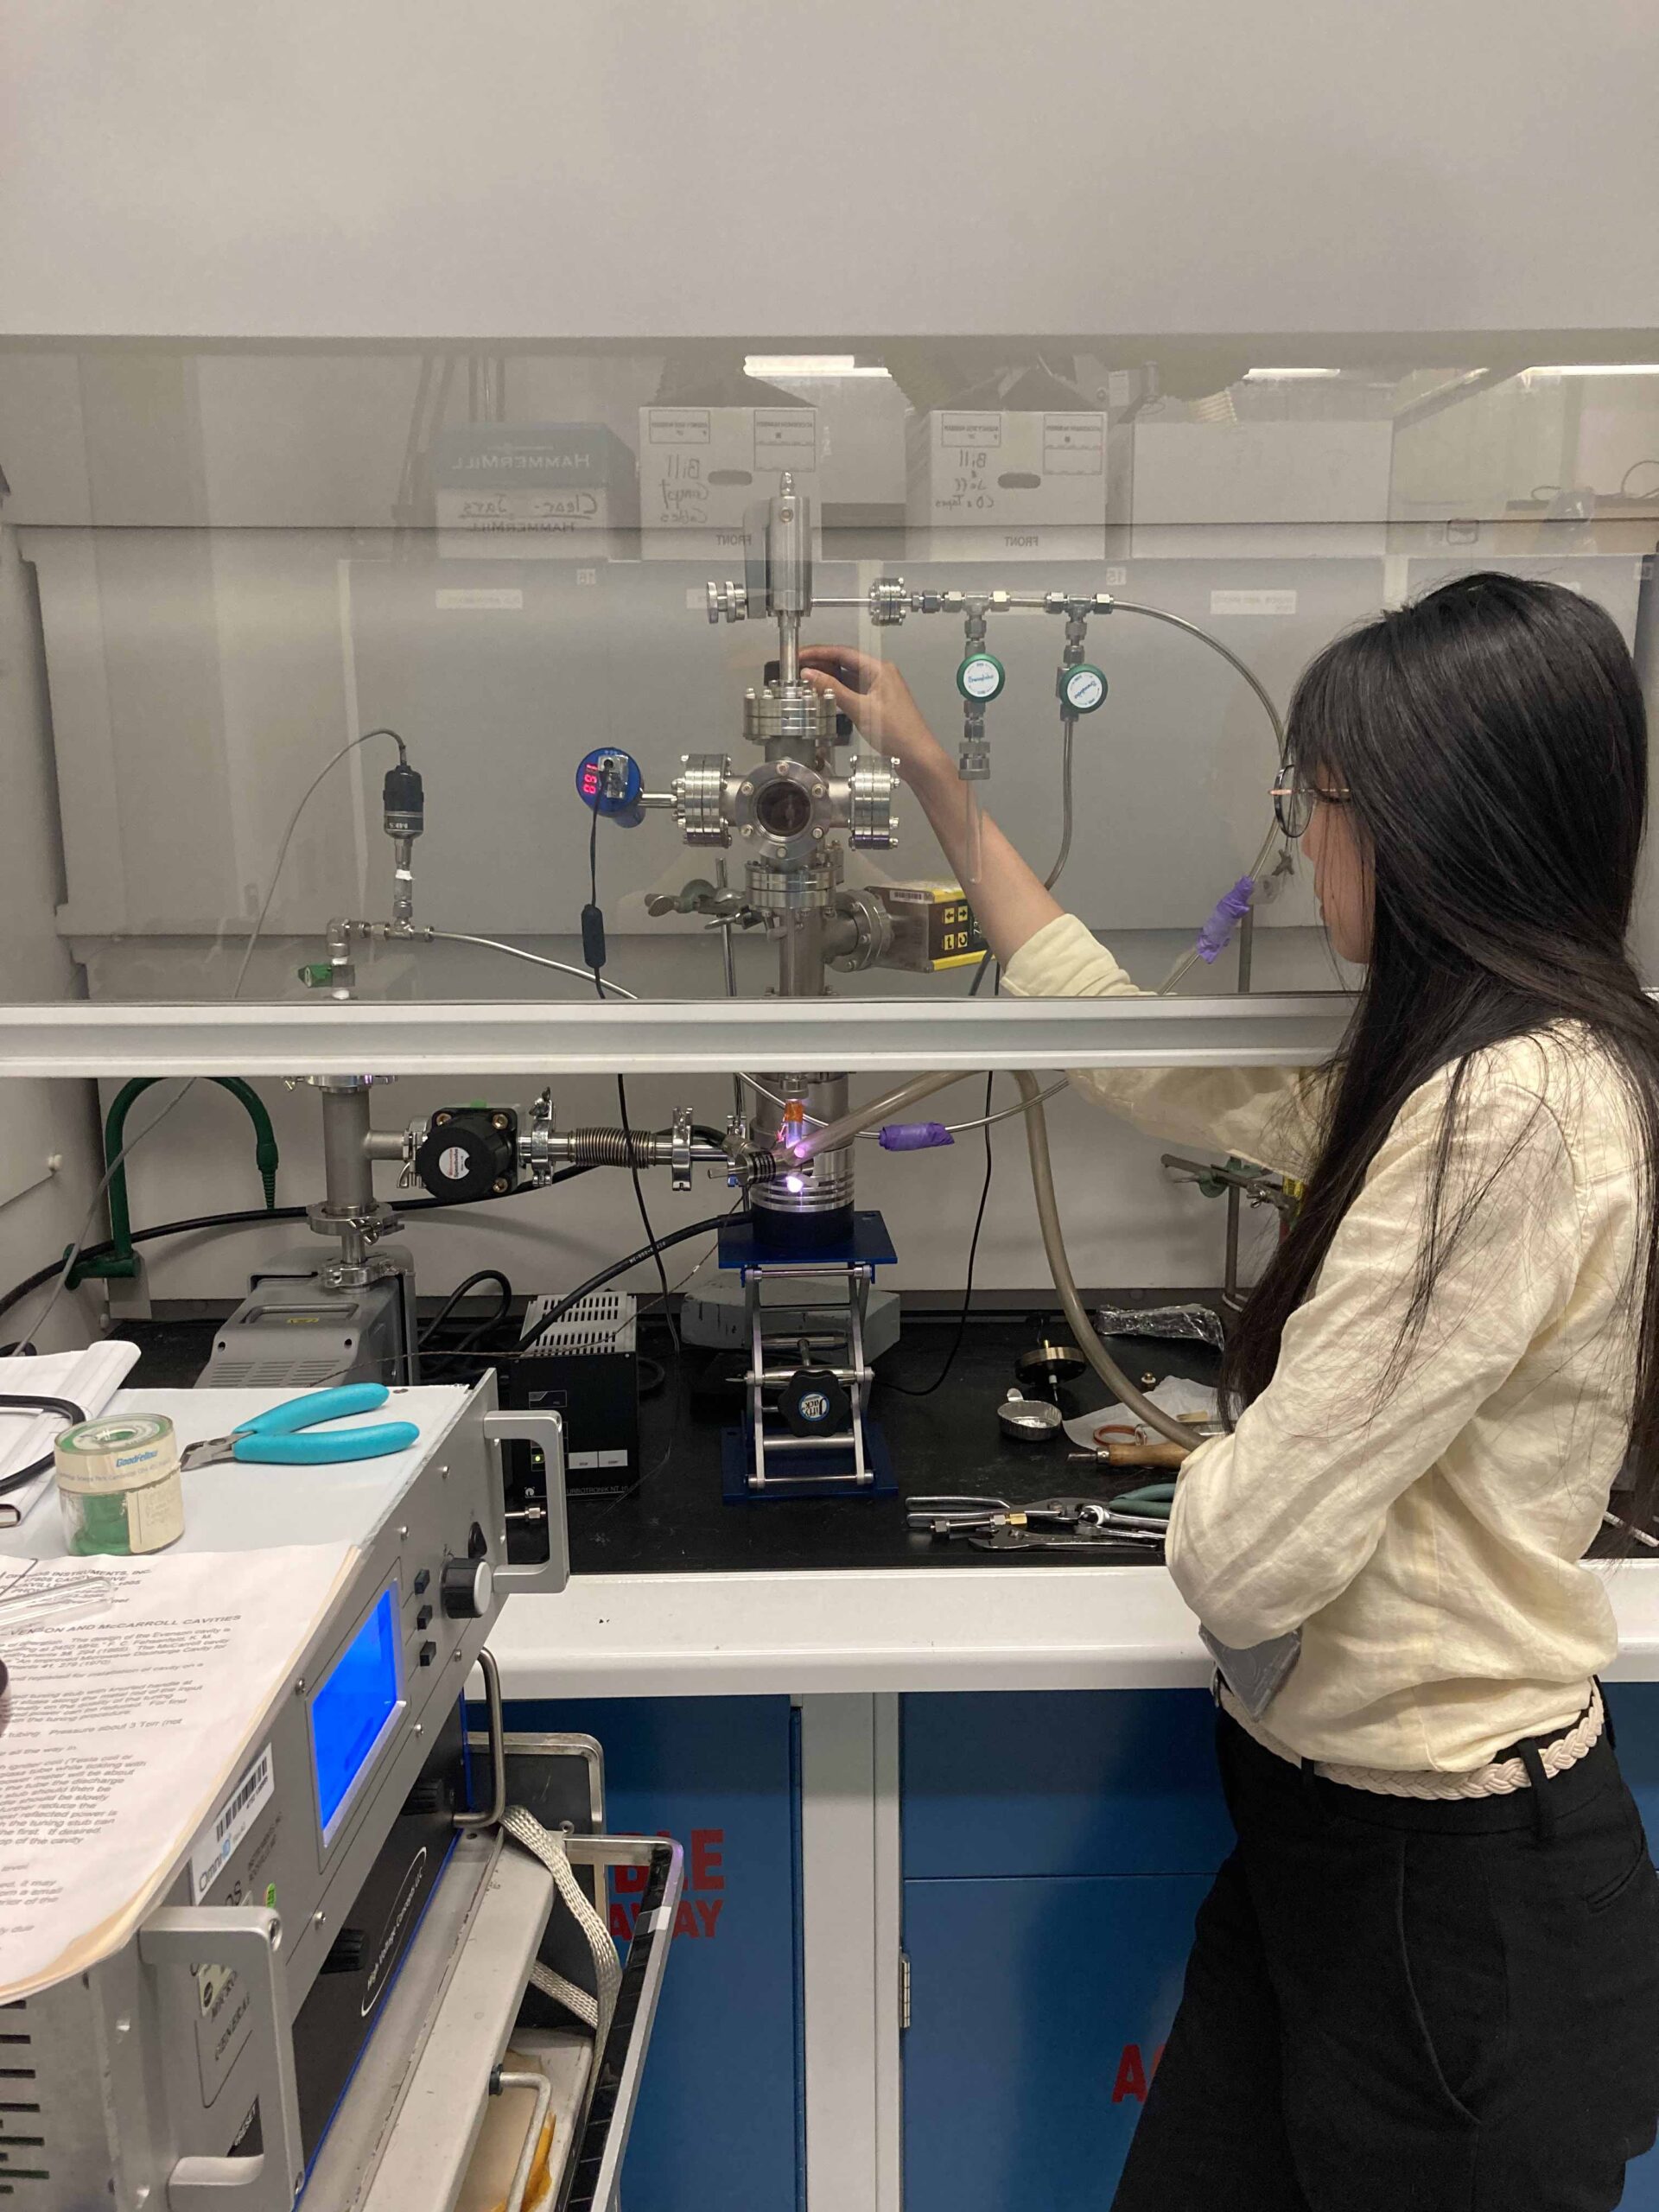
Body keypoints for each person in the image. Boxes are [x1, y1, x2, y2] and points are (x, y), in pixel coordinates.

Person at [802, 572, 1659, 2211]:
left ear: (1425, 822)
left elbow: (1244, 1556)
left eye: (1314, 805)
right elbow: (1150, 1054)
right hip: (1332, 1843)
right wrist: (930, 769)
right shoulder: (1462, 1063)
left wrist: (1207, 1447)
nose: (1299, 844)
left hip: (1452, 1907)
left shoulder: (1514, 1117)